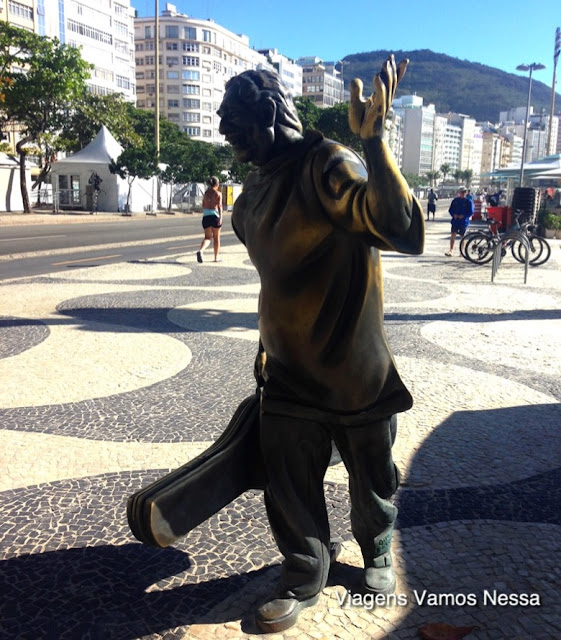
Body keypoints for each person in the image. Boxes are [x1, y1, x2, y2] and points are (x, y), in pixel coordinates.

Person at [217, 57, 424, 632]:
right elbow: (276, 281)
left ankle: (377, 548)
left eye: (237, 130)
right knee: (287, 478)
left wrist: (375, 143)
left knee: (371, 473)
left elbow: (397, 226)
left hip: (353, 366)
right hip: (285, 367)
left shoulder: (327, 163)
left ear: (268, 115)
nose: (231, 143)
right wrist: (266, 346)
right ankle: (306, 569)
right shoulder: (250, 195)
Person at [197, 176, 222, 263]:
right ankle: (216, 257)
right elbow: (219, 206)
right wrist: (220, 217)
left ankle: (201, 250)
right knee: (216, 238)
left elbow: (203, 205)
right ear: (217, 184)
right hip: (214, 216)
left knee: (207, 237)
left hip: (206, 216)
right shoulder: (218, 194)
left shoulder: (206, 193)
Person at [445, 186, 474, 256]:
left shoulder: (468, 201)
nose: (463, 193)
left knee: (462, 236)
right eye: (462, 192)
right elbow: (450, 210)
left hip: (463, 221)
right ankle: (451, 250)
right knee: (453, 235)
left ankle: (461, 251)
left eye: (464, 192)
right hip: (455, 221)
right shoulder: (455, 201)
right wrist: (453, 215)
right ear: (459, 192)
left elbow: (471, 211)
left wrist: (464, 216)